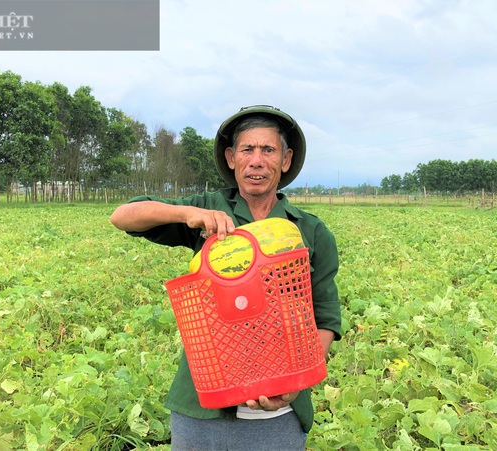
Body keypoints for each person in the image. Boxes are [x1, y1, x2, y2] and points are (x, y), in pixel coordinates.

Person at [110, 105, 341, 450]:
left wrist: (297, 382)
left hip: (280, 414)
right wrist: (189, 213)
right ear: (232, 158)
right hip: (203, 408)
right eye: (247, 149)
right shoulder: (208, 207)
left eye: (268, 150)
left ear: (286, 159)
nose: (257, 160)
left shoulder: (310, 231)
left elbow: (325, 317)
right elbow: (123, 216)